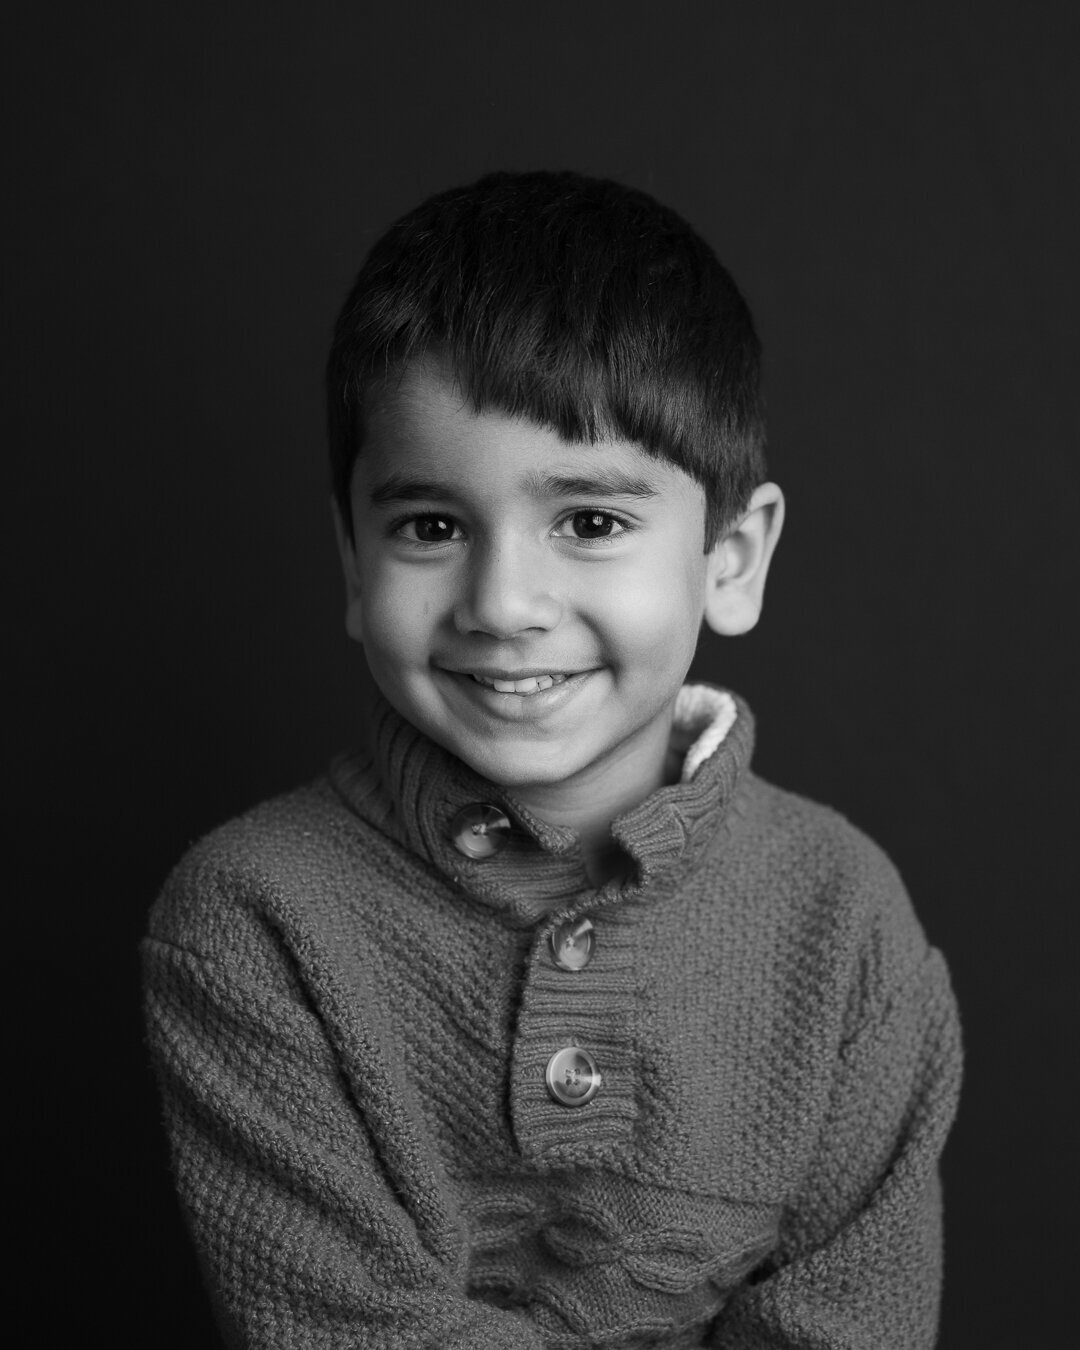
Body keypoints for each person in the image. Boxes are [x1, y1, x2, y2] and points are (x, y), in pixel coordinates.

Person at [142, 170, 962, 1349]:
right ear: (350, 561)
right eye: (432, 527)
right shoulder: (250, 921)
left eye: (589, 522)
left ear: (731, 560)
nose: (504, 602)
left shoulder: (846, 926)